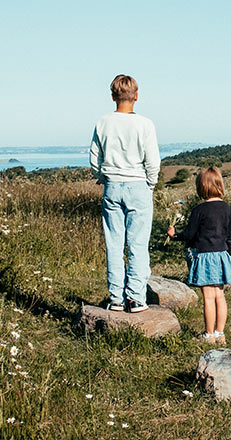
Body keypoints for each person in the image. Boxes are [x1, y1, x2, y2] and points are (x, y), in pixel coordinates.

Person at [90, 74, 160, 313]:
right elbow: (152, 160)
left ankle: (116, 298)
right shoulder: (145, 124)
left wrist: (102, 177)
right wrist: (150, 183)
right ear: (136, 97)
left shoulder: (103, 122)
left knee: (114, 244)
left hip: (112, 185)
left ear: (112, 96)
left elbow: (94, 158)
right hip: (138, 185)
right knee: (138, 245)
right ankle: (136, 298)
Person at [168, 167, 231, 344]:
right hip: (221, 255)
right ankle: (220, 333)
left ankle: (208, 334)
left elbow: (190, 234)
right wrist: (227, 253)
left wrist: (175, 235)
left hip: (205, 256)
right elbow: (230, 234)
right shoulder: (227, 208)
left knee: (208, 297)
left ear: (202, 187)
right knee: (219, 295)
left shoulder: (199, 210)